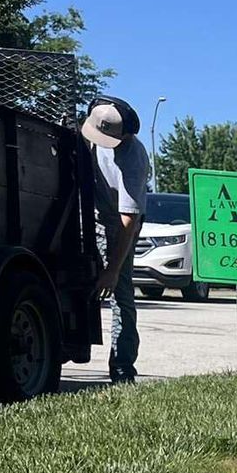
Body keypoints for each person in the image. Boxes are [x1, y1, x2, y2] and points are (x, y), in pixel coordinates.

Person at [82, 97, 150, 384]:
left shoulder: (133, 159)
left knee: (120, 293)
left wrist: (111, 270)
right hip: (90, 214)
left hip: (120, 223)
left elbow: (128, 221)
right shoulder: (90, 131)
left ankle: (122, 367)